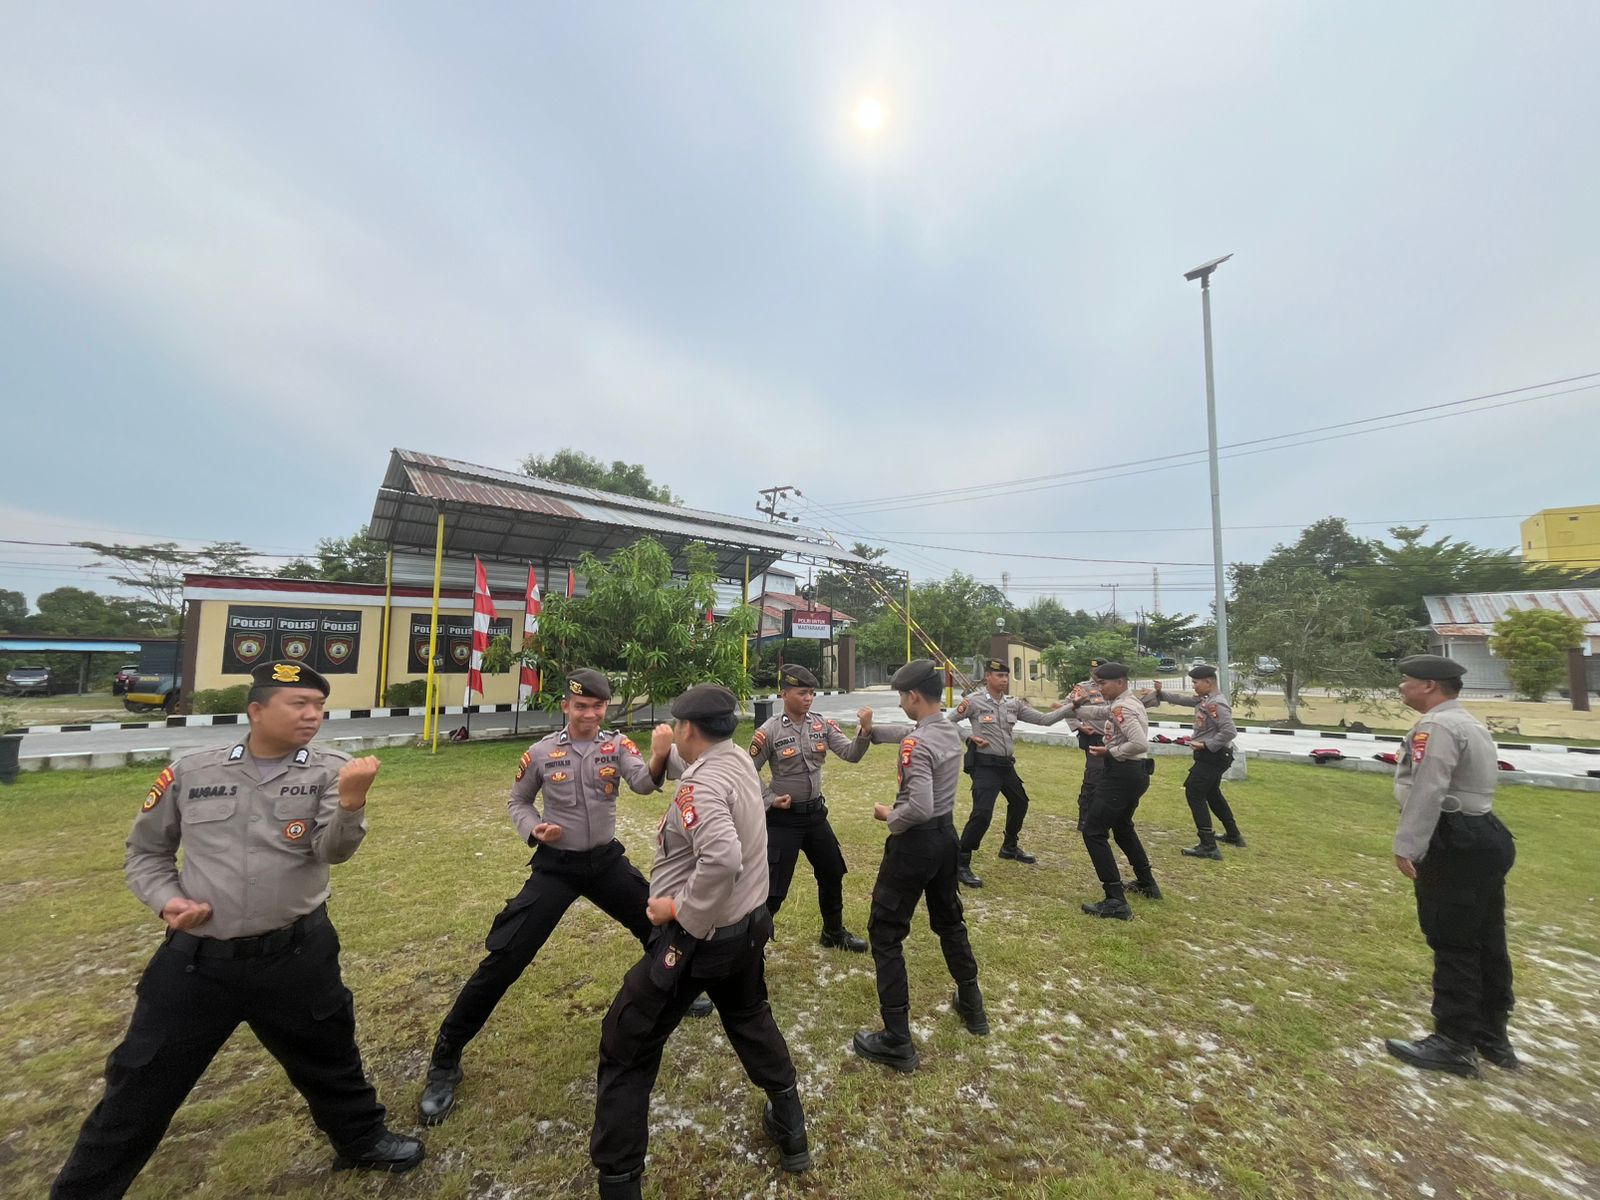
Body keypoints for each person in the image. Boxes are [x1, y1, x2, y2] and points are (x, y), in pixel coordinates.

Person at [52, 661, 423, 1199]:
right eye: (299, 704)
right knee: (141, 1081)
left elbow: (332, 852)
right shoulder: (192, 771)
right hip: (197, 961)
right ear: (256, 710)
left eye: (318, 706)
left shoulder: (330, 771)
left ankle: (361, 1140)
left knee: (329, 1053)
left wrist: (352, 801)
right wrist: (166, 901)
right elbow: (146, 853)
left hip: (297, 951)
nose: (313, 715)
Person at [419, 668, 708, 1126]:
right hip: (556, 867)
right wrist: (534, 828)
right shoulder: (539, 753)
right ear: (566, 707)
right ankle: (445, 1057)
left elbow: (644, 784)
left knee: (657, 925)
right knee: (506, 957)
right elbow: (518, 801)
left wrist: (659, 756)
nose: (590, 714)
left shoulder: (617, 746)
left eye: (598, 706)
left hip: (605, 864)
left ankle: (674, 991)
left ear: (605, 707)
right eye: (581, 706)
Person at [590, 684, 810, 1200]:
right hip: (745, 931)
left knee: (626, 1043)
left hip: (698, 940)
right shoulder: (736, 763)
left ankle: (618, 1180)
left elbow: (723, 858)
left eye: (675, 728)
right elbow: (696, 792)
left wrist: (679, 911)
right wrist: (662, 756)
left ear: (688, 729)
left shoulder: (702, 786)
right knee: (749, 1018)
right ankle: (790, 1125)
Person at [1384, 655, 1517, 1079]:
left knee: (1453, 939)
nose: (1402, 688)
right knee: (1486, 936)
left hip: (1454, 838)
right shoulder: (1464, 720)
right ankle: (1491, 1036)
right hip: (1482, 833)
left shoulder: (1436, 726)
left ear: (1429, 686)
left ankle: (1453, 1042)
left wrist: (1409, 845)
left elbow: (1429, 787)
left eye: (1407, 682)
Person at [851, 659, 987, 1072]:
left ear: (912, 696)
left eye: (901, 697)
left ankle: (896, 1039)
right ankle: (972, 1003)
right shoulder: (948, 729)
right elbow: (909, 734)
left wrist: (887, 816)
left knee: (886, 933)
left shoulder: (918, 743)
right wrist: (871, 732)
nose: (901, 703)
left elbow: (919, 805)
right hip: (947, 840)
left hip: (915, 844)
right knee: (949, 920)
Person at [748, 664, 870, 951]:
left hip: (815, 816)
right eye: (803, 692)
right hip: (783, 820)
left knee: (832, 872)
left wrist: (864, 733)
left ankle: (833, 932)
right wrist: (768, 798)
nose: (809, 698)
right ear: (784, 694)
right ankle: (751, 949)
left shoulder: (821, 724)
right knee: (774, 890)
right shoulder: (769, 731)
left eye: (812, 693)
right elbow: (747, 770)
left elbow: (850, 754)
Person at [947, 658, 1073, 887]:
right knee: (982, 814)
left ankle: (1009, 846)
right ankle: (960, 862)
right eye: (999, 676)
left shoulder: (1013, 704)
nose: (1004, 680)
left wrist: (1072, 706)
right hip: (985, 765)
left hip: (1006, 765)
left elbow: (1044, 720)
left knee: (1020, 802)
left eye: (1006, 676)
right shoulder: (973, 702)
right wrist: (969, 736)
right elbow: (948, 721)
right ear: (988, 677)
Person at [1062, 662, 1159, 920]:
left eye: (1103, 684)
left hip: (1122, 774)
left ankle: (1115, 899)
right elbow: (1100, 710)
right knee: (1123, 828)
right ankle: (1147, 882)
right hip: (1134, 774)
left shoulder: (1122, 707)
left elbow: (1138, 743)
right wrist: (1074, 707)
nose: (1099, 688)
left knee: (1093, 831)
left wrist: (1111, 751)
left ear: (1120, 682)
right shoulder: (1126, 702)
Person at [1144, 665, 1245, 859]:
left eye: (1196, 682)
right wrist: (1160, 693)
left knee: (1194, 791)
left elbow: (1230, 731)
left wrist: (1207, 745)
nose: (1194, 686)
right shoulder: (1205, 699)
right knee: (1212, 793)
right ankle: (1233, 835)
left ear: (1208, 682)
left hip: (1213, 756)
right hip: (1213, 756)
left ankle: (1208, 845)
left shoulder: (1216, 704)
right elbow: (1183, 700)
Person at [1067, 663, 1108, 833]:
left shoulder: (1112, 687)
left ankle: (1105, 817)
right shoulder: (1083, 688)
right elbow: (1067, 708)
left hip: (1112, 739)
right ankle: (1084, 817)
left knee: (1109, 778)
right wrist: (1079, 726)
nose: (1095, 673)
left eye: (1099, 670)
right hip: (1094, 738)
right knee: (1094, 776)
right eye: (1093, 670)